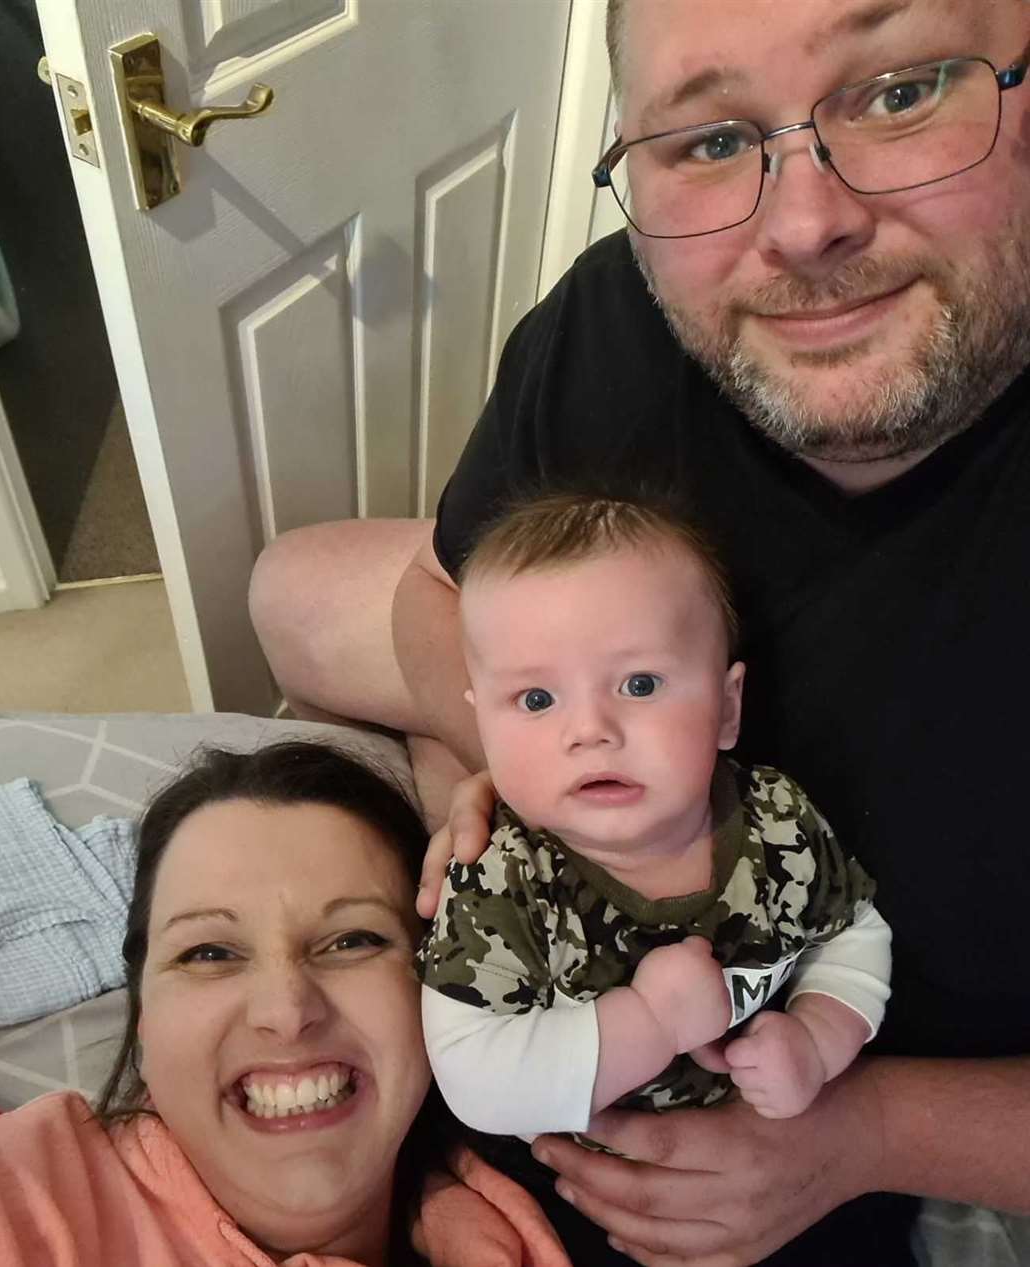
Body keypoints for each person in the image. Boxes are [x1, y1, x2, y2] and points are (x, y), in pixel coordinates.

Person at [248, 0, 1030, 1262]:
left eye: (898, 91)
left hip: (823, 1100)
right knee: (289, 586)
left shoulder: (807, 860)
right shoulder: (619, 320)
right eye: (709, 139)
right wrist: (510, 763)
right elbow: (439, 592)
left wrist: (870, 1127)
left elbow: (847, 978)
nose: (803, 225)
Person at [0, 741, 571, 1267]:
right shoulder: (0, 1204)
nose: (286, 1010)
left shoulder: (578, 1193)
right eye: (209, 954)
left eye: (353, 940)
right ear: (143, 1023)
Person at [418, 492, 891, 1136]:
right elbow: (471, 1079)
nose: (590, 730)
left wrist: (817, 1039)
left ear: (727, 708)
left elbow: (851, 934)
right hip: (584, 1169)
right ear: (482, 722)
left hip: (775, 1143)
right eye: (535, 698)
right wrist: (651, 1024)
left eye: (640, 685)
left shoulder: (779, 821)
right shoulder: (501, 879)